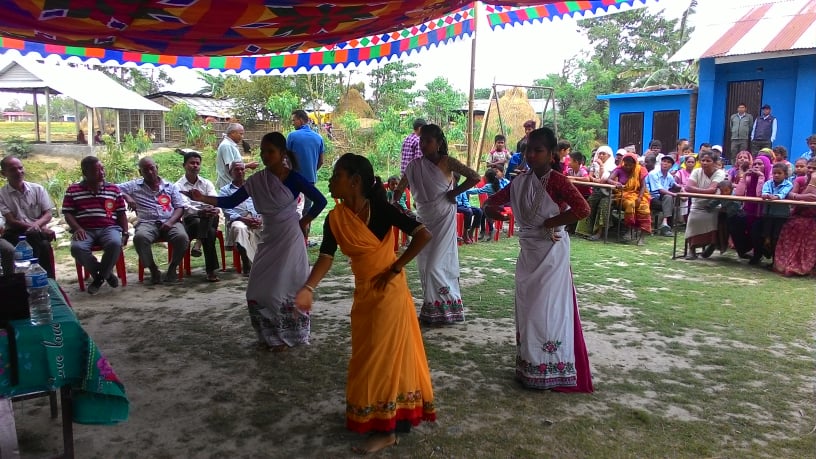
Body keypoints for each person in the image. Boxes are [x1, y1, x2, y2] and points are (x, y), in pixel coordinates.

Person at [292, 153, 435, 455]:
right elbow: (325, 258)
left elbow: (423, 234)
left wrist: (396, 267)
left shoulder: (383, 208)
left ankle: (387, 431)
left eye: (336, 176)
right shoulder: (335, 218)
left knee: (382, 360)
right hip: (364, 294)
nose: (330, 181)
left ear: (355, 181)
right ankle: (376, 415)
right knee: (365, 356)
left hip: (390, 293)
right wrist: (308, 287)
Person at [187, 132, 326, 350]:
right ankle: (268, 336)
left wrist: (303, 222)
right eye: (262, 152)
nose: (265, 156)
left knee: (283, 289)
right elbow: (232, 200)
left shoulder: (294, 178)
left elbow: (320, 201)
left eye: (270, 151)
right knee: (256, 290)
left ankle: (287, 336)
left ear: (282, 153)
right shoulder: (257, 180)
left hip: (290, 238)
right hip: (269, 237)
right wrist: (203, 198)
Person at [483, 127, 593, 393]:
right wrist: (496, 214)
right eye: (527, 150)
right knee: (529, 307)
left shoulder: (557, 181)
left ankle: (551, 368)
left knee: (548, 308)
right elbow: (490, 204)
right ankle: (530, 365)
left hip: (552, 252)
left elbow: (583, 209)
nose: (531, 155)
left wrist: (550, 222)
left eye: (538, 150)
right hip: (529, 251)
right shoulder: (520, 181)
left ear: (552, 154)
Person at [394, 124, 480, 325]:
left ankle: (448, 307)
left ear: (439, 143)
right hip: (424, 217)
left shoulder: (447, 161)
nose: (423, 145)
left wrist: (453, 194)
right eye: (421, 141)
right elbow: (401, 187)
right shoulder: (414, 165)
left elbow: (475, 177)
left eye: (428, 141)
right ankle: (432, 310)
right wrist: (395, 199)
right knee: (425, 265)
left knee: (436, 265)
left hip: (443, 217)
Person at [62, 156, 128, 294]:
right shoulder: (73, 190)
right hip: (85, 229)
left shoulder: (113, 189)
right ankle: (106, 274)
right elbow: (68, 214)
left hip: (109, 228)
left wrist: (126, 232)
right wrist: (77, 228)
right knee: (77, 248)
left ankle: (98, 279)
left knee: (115, 244)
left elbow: (121, 213)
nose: (102, 172)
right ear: (85, 173)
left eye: (102, 169)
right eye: (97, 170)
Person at [119, 157, 188, 284]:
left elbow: (179, 207)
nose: (150, 172)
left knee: (182, 237)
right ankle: (153, 270)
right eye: (145, 170)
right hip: (147, 223)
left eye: (152, 168)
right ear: (140, 173)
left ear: (157, 168)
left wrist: (170, 222)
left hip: (169, 220)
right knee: (140, 238)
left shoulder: (170, 187)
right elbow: (112, 188)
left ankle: (172, 268)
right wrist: (127, 197)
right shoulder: (134, 186)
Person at [0, 156, 56, 278]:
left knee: (41, 242)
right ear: (4, 173)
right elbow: (11, 221)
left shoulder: (37, 189)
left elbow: (48, 214)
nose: (18, 172)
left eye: (20, 168)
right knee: (42, 243)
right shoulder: (2, 194)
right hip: (15, 234)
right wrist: (37, 228)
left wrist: (36, 226)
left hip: (36, 231)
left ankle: (36, 278)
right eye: (13, 169)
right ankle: (45, 279)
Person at [175, 151, 221, 282]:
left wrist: (213, 209)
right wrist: (200, 212)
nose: (195, 165)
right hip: (190, 221)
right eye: (192, 163)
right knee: (210, 230)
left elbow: (214, 199)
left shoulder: (206, 183)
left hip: (207, 217)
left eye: (197, 163)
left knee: (211, 218)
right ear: (184, 165)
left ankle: (199, 242)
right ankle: (211, 271)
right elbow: (184, 207)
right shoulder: (178, 186)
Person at [774, 158, 816, 276]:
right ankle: (787, 263)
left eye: (815, 168)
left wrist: (813, 181)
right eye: (810, 167)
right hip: (798, 215)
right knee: (796, 225)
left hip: (813, 219)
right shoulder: (800, 180)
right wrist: (802, 196)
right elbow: (791, 194)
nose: (811, 170)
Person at [682, 151, 727, 260]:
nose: (705, 163)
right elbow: (688, 187)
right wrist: (705, 191)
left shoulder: (720, 173)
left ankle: (712, 244)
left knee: (714, 219)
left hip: (713, 204)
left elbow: (712, 190)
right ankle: (691, 249)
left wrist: (697, 190)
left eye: (708, 161)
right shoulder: (696, 171)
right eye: (703, 160)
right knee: (692, 219)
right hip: (697, 204)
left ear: (715, 162)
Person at [287, 110, 325, 235]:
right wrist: (311, 171)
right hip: (310, 181)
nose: (293, 123)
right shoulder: (318, 138)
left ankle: (292, 238)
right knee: (307, 211)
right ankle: (305, 239)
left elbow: (286, 159)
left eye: (294, 120)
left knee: (291, 209)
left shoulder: (292, 136)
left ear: (301, 120)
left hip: (292, 181)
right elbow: (321, 161)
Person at [219, 162, 261, 275]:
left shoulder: (254, 187)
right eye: (236, 170)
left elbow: (264, 204)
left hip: (256, 219)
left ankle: (269, 263)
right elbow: (227, 210)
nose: (240, 172)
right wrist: (244, 219)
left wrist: (260, 218)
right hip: (238, 220)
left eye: (242, 169)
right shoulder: (225, 190)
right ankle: (246, 262)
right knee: (240, 228)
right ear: (230, 172)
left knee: (273, 226)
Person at [749, 162, 792, 265]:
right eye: (774, 173)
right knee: (764, 235)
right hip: (767, 214)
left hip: (781, 215)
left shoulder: (788, 184)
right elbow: (764, 192)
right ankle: (759, 255)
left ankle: (775, 260)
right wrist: (766, 195)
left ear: (785, 175)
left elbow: (783, 194)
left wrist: (775, 197)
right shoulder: (768, 183)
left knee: (776, 237)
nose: (776, 175)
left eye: (779, 173)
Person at [607, 152, 651, 246]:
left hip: (638, 195)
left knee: (644, 208)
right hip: (624, 195)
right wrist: (615, 183)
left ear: (634, 164)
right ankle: (629, 229)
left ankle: (642, 237)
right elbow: (609, 179)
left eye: (630, 165)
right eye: (625, 164)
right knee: (630, 204)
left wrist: (639, 198)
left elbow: (643, 186)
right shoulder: (619, 169)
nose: (627, 167)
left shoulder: (640, 170)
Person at [579, 145, 615, 241]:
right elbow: (591, 177)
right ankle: (586, 230)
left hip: (609, 193)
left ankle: (599, 232)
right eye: (600, 153)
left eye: (604, 154)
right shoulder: (594, 165)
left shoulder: (612, 167)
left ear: (609, 156)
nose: (601, 156)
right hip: (597, 191)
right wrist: (596, 180)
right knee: (589, 203)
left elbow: (604, 179)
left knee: (603, 206)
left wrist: (602, 166)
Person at [216, 123, 258, 189]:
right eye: (240, 134)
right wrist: (248, 165)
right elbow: (231, 166)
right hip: (228, 185)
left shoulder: (231, 145)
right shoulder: (226, 145)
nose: (242, 136)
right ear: (232, 133)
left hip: (233, 184)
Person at [467, 168, 502, 242]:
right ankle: (485, 231)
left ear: (487, 178)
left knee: (483, 211)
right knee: (483, 211)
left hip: (494, 207)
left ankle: (488, 230)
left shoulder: (489, 186)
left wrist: (467, 190)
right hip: (499, 206)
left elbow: (479, 191)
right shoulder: (497, 184)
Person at [646, 155, 678, 237]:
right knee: (670, 202)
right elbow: (660, 190)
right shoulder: (653, 173)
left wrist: (682, 189)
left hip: (661, 198)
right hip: (650, 197)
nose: (665, 164)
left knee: (669, 199)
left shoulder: (669, 176)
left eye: (668, 162)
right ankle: (665, 226)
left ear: (671, 166)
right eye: (664, 161)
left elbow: (675, 185)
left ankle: (665, 223)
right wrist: (674, 194)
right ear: (661, 163)